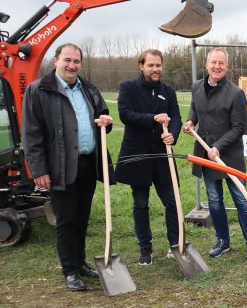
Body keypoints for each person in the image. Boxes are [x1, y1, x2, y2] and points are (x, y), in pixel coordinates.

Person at [22, 43, 114, 291]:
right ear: (56, 61)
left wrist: (105, 119)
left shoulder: (89, 89)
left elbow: (102, 114)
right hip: (60, 166)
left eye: (76, 61)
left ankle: (80, 262)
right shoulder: (39, 90)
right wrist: (38, 170)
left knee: (82, 217)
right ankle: (70, 271)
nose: (72, 65)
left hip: (87, 163)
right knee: (65, 219)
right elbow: (32, 134)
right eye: (67, 60)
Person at [183, 48, 247, 260]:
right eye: (214, 63)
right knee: (215, 201)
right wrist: (191, 120)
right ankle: (223, 240)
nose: (217, 66)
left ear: (226, 67)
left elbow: (238, 127)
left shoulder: (236, 93)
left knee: (241, 198)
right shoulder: (196, 88)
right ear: (206, 65)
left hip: (230, 156)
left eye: (221, 63)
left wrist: (218, 146)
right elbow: (195, 108)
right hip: (206, 155)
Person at [115, 49, 181, 266]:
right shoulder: (128, 88)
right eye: (151, 65)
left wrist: (172, 133)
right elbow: (125, 115)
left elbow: (176, 118)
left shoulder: (168, 91)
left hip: (163, 157)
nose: (155, 69)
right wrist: (153, 118)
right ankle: (145, 248)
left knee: (172, 202)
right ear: (141, 66)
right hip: (138, 155)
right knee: (141, 204)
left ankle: (175, 244)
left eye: (158, 65)